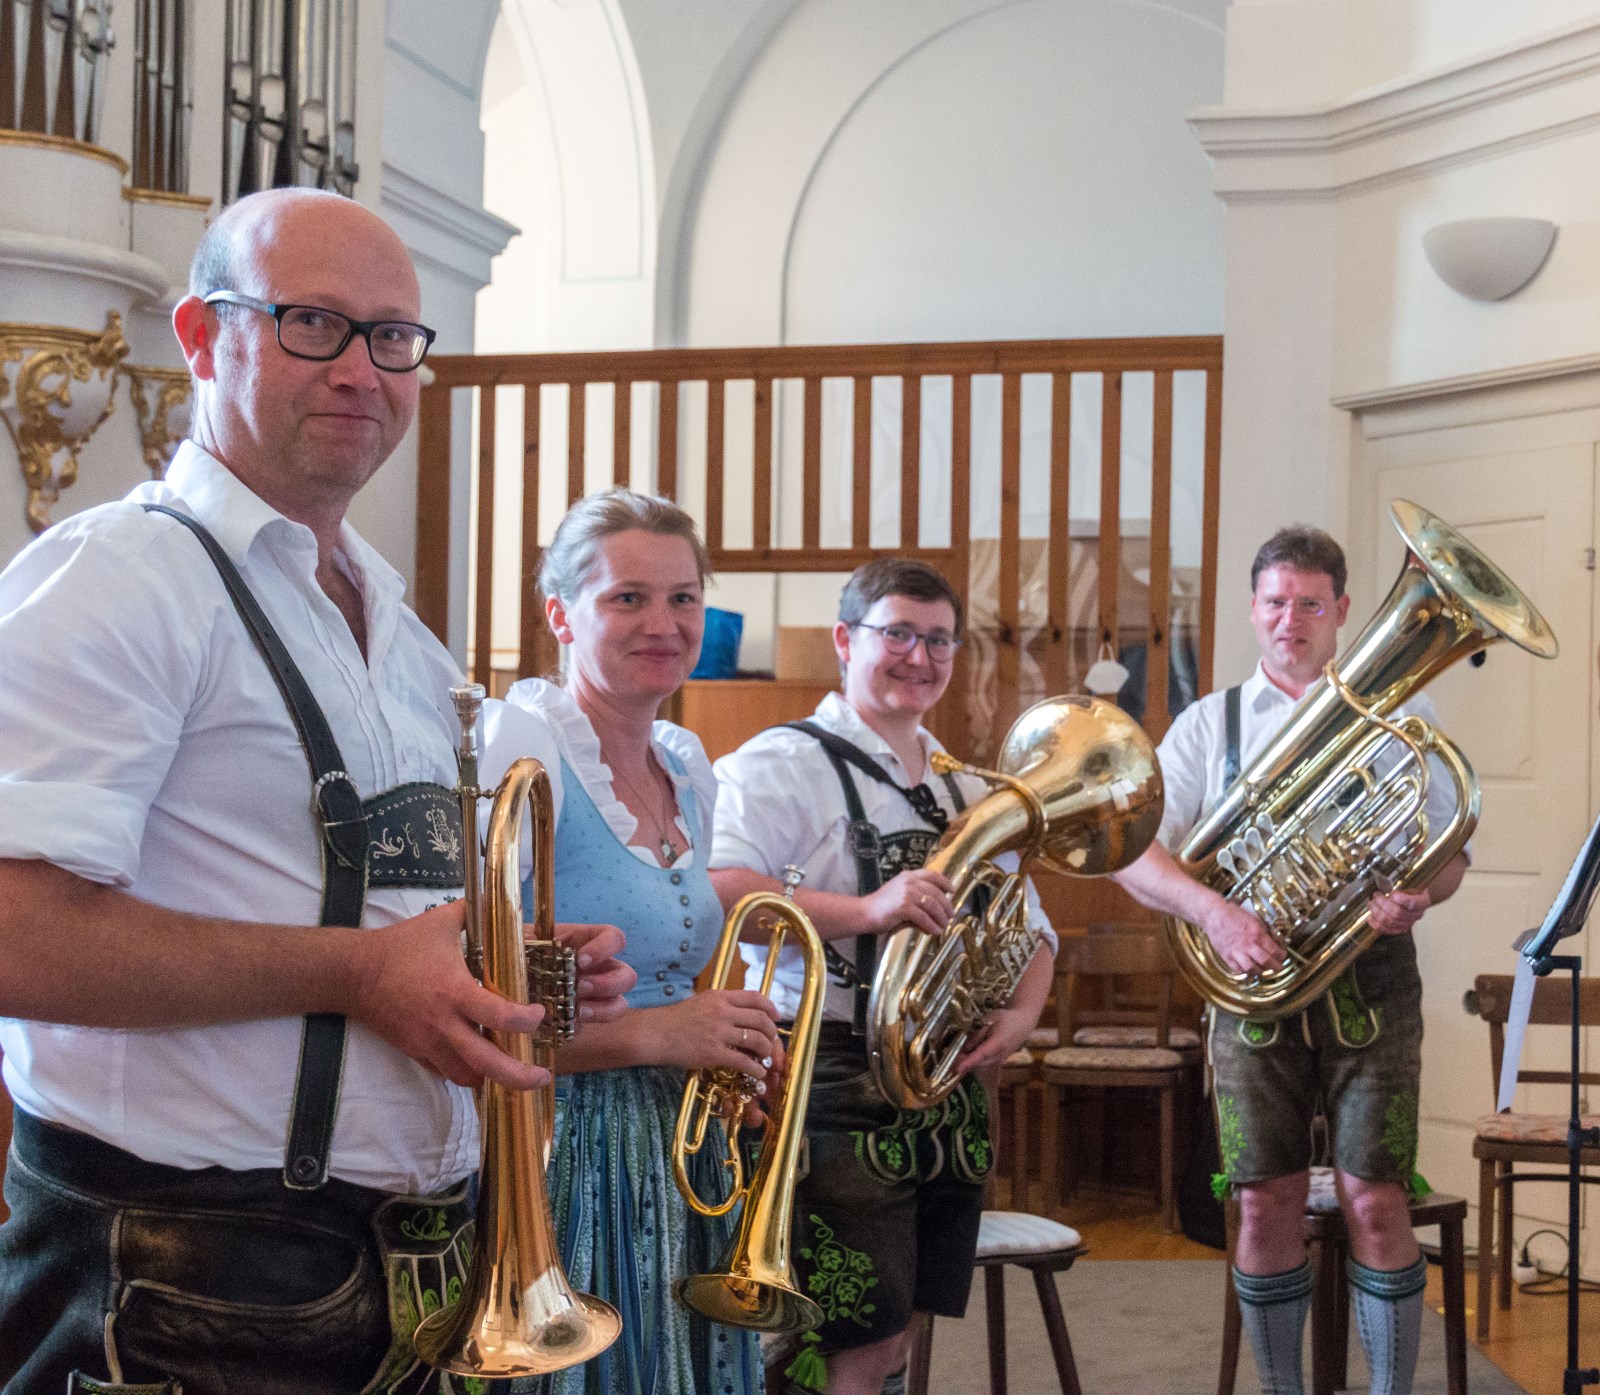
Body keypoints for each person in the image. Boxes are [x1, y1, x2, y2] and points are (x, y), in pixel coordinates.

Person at [0, 188, 633, 1395]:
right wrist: (359, 975)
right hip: (187, 1274)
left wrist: (508, 970)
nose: (361, 368)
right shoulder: (119, 577)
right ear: (201, 336)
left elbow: (377, 912)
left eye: (392, 337)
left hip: (406, 1265)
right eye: (311, 324)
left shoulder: (398, 629)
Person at [1112, 527, 1470, 1395]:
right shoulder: (1211, 723)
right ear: (1252, 609)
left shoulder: (1403, 717)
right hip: (1250, 986)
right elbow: (1131, 851)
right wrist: (1216, 912)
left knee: (1376, 1194)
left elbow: (1451, 853)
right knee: (1263, 1197)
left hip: (1370, 984)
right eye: (1276, 601)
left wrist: (1419, 894)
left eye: (1311, 603)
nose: (1291, 619)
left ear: (1343, 612)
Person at [709, 559, 1057, 1395]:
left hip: (944, 1084)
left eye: (938, 638)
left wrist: (1022, 1014)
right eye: (896, 632)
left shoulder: (965, 787)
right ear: (844, 639)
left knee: (902, 1323)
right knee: (844, 1334)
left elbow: (1030, 925)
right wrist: (869, 910)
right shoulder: (777, 762)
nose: (919, 654)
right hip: (826, 1071)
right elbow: (723, 895)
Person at [477, 488, 777, 1395]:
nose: (665, 622)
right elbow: (471, 997)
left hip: (683, 1146)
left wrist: (727, 1040)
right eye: (628, 598)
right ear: (559, 613)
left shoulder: (686, 761)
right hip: (562, 1149)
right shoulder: (523, 745)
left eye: (684, 597)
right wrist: (658, 1034)